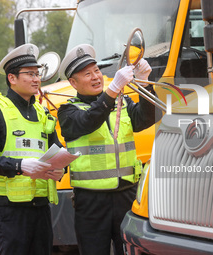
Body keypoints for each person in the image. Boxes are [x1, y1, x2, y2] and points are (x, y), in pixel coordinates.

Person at [57, 44, 161, 255]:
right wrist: (113, 89)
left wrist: (145, 83)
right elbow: (89, 120)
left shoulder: (120, 101)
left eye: (96, 71)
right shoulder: (68, 111)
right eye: (87, 74)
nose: (96, 77)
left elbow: (147, 118)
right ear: (73, 83)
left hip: (126, 194)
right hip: (91, 201)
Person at [0, 43, 64, 255]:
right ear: (12, 78)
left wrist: (61, 169)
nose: (36, 79)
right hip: (10, 210)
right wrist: (20, 165)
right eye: (30, 74)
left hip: (41, 206)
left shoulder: (43, 112)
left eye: (38, 73)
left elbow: (57, 149)